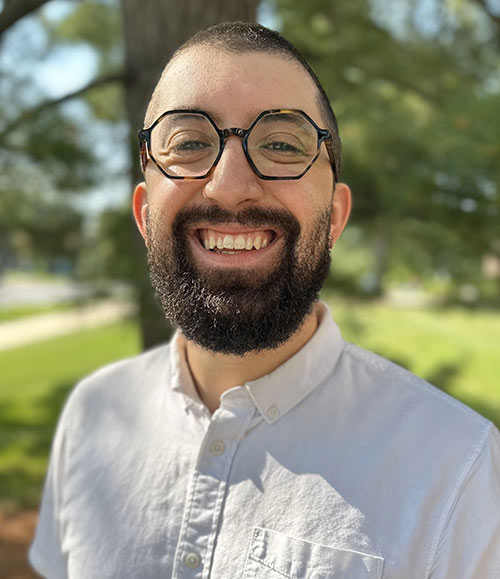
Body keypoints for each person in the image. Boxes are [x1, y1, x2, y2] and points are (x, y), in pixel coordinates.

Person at [29, 22, 500, 579]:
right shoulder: (89, 415)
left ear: (336, 218)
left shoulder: (458, 469)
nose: (230, 186)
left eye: (281, 143)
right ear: (144, 213)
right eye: (188, 144)